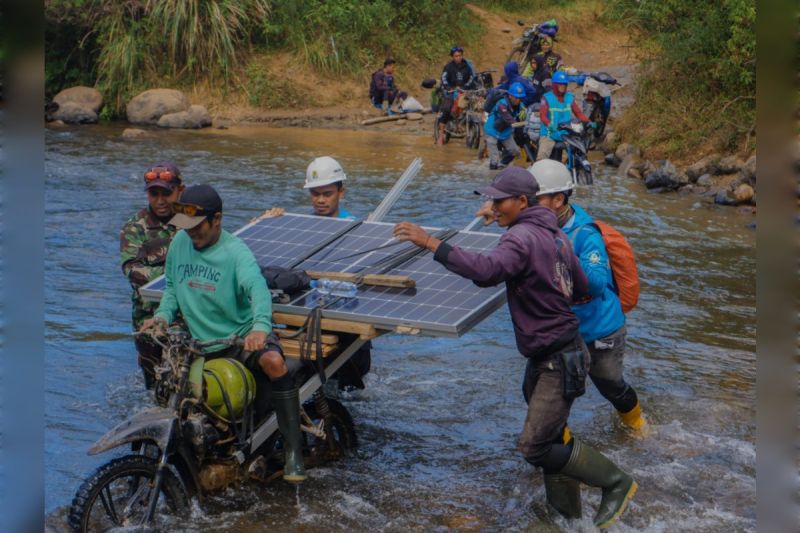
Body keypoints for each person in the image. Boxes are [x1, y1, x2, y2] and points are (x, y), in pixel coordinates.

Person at [393, 167, 637, 529]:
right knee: (552, 435)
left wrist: (431, 243)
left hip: (557, 359)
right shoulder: (554, 234)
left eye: (499, 201)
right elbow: (583, 287)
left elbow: (487, 271)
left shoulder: (522, 237)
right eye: (491, 200)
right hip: (557, 351)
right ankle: (566, 517)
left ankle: (616, 482)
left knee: (534, 446)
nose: (492, 207)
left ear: (523, 201)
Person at [140, 184, 306, 483]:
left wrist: (260, 328)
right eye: (186, 226)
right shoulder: (180, 243)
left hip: (239, 338)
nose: (191, 233)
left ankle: (294, 451)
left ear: (216, 219)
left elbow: (258, 290)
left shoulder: (236, 252)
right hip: (199, 343)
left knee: (273, 362)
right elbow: (172, 289)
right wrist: (162, 317)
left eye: (197, 226)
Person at [477, 159, 648, 434]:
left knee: (611, 386)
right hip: (558, 335)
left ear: (558, 200)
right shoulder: (531, 226)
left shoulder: (585, 234)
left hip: (598, 330)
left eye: (535, 199)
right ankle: (558, 445)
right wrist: (496, 210)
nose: (527, 204)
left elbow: (595, 284)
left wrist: (555, 249)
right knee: (536, 394)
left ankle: (638, 427)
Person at [255, 156, 371, 391]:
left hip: (342, 318)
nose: (320, 200)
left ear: (341, 192)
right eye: (315, 194)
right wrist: (264, 224)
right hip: (307, 317)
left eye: (327, 194)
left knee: (349, 388)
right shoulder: (297, 226)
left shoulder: (357, 229)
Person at [120, 162, 185, 389]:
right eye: (153, 194)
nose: (160, 200)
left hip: (186, 317)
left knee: (183, 377)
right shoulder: (135, 227)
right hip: (147, 318)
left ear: (180, 191)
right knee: (155, 384)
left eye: (166, 193)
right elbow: (131, 269)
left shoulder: (193, 221)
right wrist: (177, 274)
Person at [537, 70, 593, 161]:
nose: (563, 87)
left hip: (565, 133)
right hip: (549, 133)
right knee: (542, 157)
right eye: (560, 84)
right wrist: (549, 124)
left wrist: (589, 122)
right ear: (555, 85)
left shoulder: (569, 97)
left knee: (576, 154)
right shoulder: (546, 97)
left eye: (564, 84)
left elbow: (578, 113)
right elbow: (542, 115)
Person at [437, 46, 477, 146]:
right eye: (456, 56)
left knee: (470, 107)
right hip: (451, 92)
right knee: (446, 110)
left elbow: (471, 78)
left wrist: (465, 87)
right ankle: (440, 136)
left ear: (462, 56)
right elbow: (444, 78)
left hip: (464, 91)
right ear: (452, 57)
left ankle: (463, 124)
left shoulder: (467, 66)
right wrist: (448, 88)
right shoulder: (448, 67)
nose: (458, 58)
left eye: (459, 55)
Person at [484, 82, 525, 170]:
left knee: (515, 151)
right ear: (510, 96)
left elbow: (525, 114)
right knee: (494, 160)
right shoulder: (502, 104)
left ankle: (502, 164)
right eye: (516, 97)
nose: (518, 100)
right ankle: (493, 172)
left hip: (505, 132)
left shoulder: (520, 106)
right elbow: (507, 117)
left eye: (520, 98)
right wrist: (517, 123)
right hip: (492, 131)